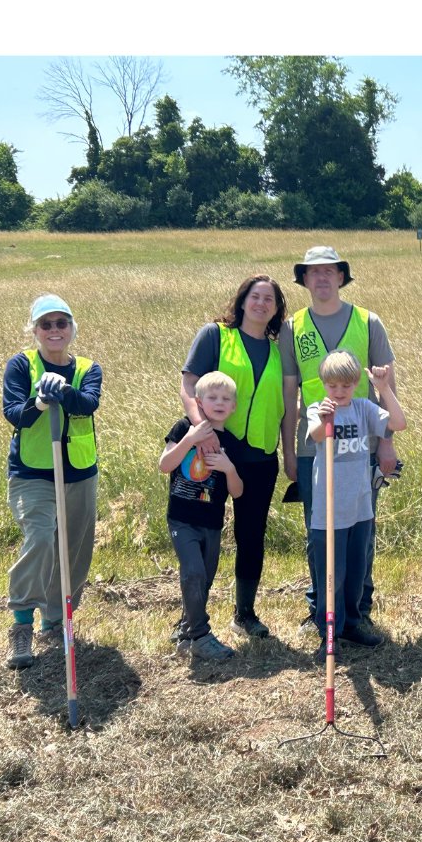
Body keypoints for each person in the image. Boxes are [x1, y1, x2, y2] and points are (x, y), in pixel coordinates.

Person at [280, 246, 399, 633]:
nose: (322, 279)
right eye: (314, 273)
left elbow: (386, 387)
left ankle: (358, 611)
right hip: (313, 444)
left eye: (330, 271)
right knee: (320, 534)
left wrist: (386, 443)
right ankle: (322, 611)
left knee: (361, 531)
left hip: (360, 445)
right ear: (304, 280)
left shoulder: (369, 321)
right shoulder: (292, 327)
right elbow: (289, 393)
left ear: (342, 277)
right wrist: (290, 451)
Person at [181, 274, 287, 639]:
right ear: (242, 301)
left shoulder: (278, 351)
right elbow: (188, 385)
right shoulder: (215, 335)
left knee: (251, 534)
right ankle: (193, 620)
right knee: (204, 530)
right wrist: (202, 432)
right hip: (214, 447)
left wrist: (288, 451)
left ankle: (244, 613)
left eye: (269, 299)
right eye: (255, 297)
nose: (261, 304)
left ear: (276, 309)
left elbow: (288, 407)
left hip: (260, 456)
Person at [2, 295, 102, 669]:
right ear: (35, 330)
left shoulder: (88, 368)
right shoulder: (21, 365)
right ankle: (22, 623)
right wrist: (40, 400)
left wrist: (62, 389)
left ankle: (56, 619)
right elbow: (15, 414)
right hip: (32, 472)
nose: (55, 330)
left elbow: (87, 404)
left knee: (74, 550)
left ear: (72, 328)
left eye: (62, 323)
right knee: (42, 539)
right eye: (47, 325)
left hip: (79, 471)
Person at [306, 351, 406, 651]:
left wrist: (384, 388)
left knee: (355, 571)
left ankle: (350, 625)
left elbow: (399, 424)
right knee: (331, 574)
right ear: (324, 384)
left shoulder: (364, 409)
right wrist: (325, 420)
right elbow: (313, 434)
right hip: (329, 509)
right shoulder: (318, 409)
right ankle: (329, 631)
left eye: (346, 386)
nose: (339, 392)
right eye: (333, 386)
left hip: (360, 506)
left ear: (356, 383)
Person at [160, 372, 244, 662]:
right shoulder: (184, 427)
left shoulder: (231, 442)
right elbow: (165, 464)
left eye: (226, 399)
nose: (219, 403)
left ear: (233, 406)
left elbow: (238, 491)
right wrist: (190, 440)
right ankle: (200, 635)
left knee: (204, 578)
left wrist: (228, 468)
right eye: (212, 397)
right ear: (199, 401)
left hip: (211, 522)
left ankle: (186, 629)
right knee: (193, 571)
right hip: (181, 518)